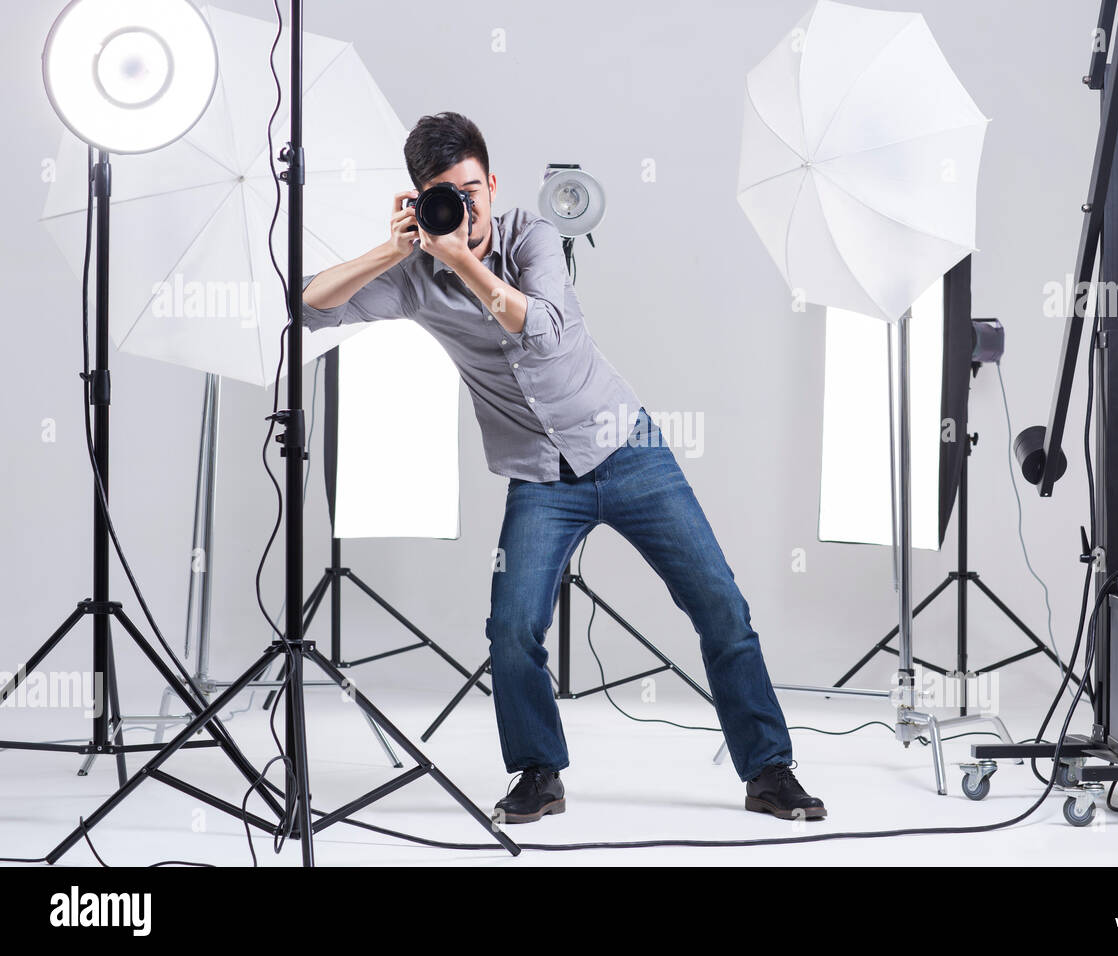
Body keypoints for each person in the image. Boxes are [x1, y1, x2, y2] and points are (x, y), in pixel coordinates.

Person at [302, 112, 825, 825]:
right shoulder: (416, 276)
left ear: (492, 183)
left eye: (471, 189)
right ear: (421, 200)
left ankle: (769, 771)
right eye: (443, 195)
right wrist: (388, 250)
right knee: (512, 630)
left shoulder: (532, 235)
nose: (465, 207)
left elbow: (545, 329)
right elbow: (309, 304)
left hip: (627, 449)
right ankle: (538, 774)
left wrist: (462, 260)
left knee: (721, 607)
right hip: (540, 478)